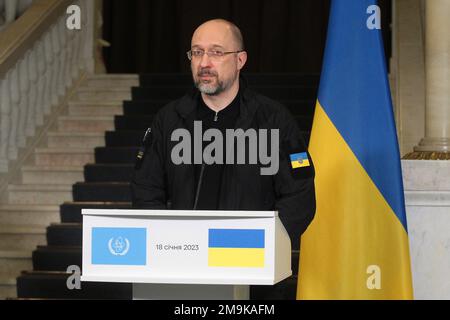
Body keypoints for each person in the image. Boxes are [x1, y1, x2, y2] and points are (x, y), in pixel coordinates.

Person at [131, 19, 316, 242]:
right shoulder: (168, 120)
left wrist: (262, 242)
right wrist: (169, 242)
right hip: (184, 260)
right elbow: (145, 190)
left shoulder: (274, 120)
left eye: (216, 53)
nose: (204, 63)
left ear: (240, 60)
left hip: (250, 263)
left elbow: (300, 196)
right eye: (197, 53)